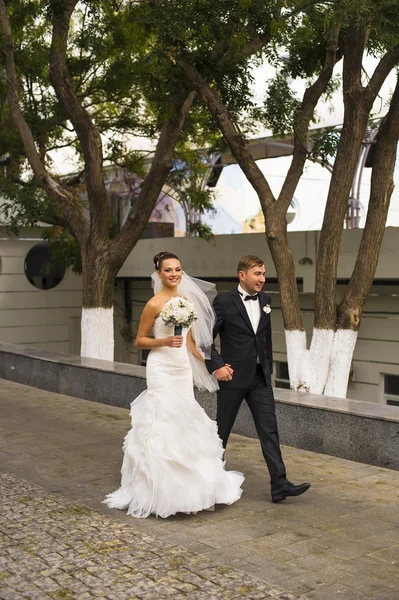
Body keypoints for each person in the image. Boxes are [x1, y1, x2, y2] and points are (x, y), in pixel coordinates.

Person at [104, 252, 244, 518]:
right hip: (160, 367)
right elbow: (140, 340)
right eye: (168, 270)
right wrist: (164, 342)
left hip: (181, 368)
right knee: (161, 420)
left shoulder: (186, 301)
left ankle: (190, 490)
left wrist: (213, 368)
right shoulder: (154, 304)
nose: (174, 274)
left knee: (184, 421)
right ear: (159, 274)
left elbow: (191, 343)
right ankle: (157, 491)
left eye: (178, 269)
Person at [206, 255, 310, 503]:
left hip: (260, 378)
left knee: (269, 430)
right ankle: (207, 482)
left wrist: (268, 368)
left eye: (264, 274)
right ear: (242, 275)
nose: (263, 279)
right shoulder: (222, 302)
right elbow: (204, 339)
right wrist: (217, 367)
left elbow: (264, 339)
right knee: (221, 431)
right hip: (232, 377)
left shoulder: (265, 300)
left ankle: (279, 483)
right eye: (258, 274)